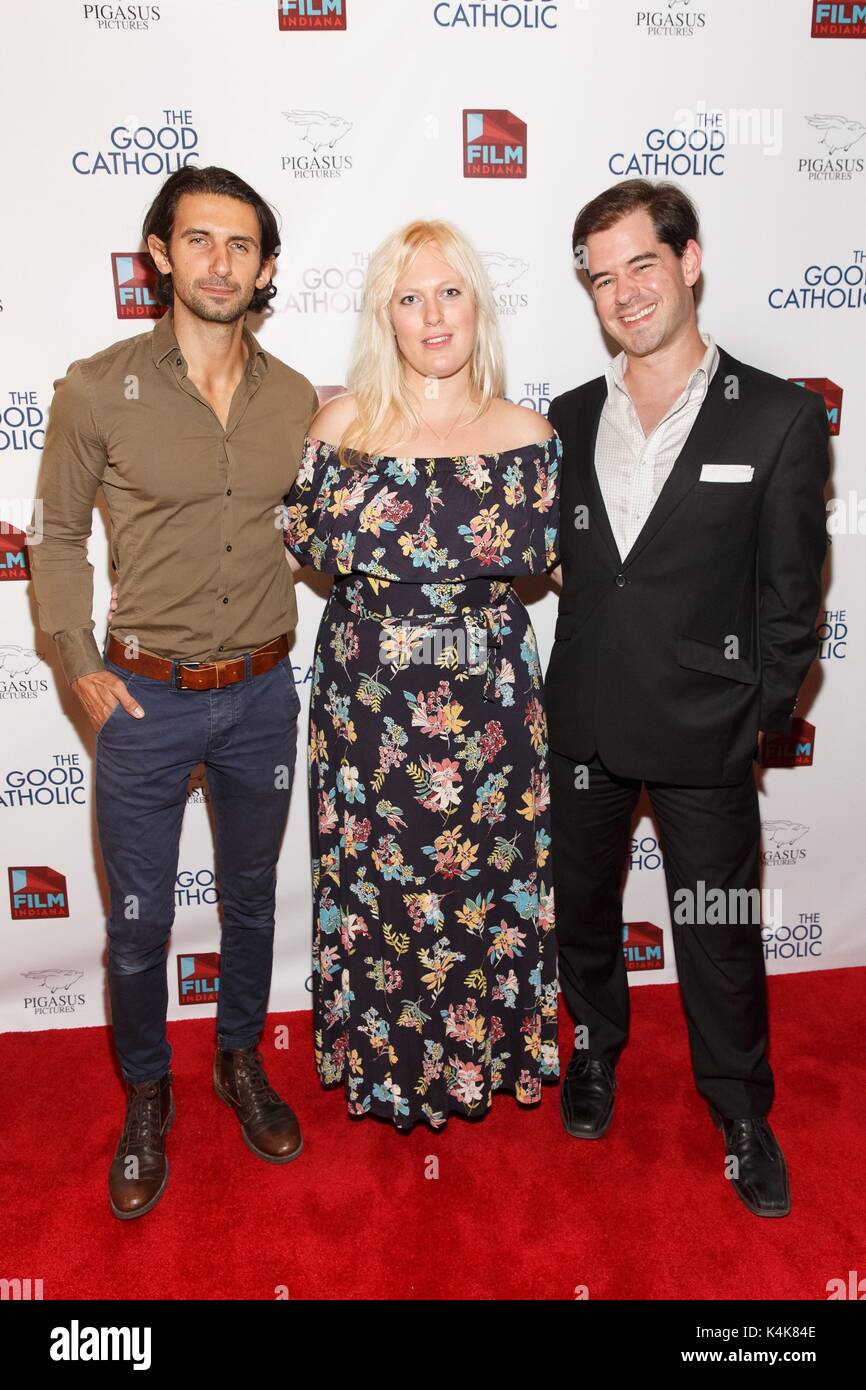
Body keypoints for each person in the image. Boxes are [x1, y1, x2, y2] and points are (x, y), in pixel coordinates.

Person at [27, 165, 317, 1219]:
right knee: (140, 925)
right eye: (197, 240)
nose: (218, 261)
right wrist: (75, 659)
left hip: (265, 693)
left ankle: (238, 1061)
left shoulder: (296, 399)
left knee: (249, 904)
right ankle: (146, 1096)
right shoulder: (97, 387)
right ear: (159, 253)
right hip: (143, 700)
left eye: (240, 245)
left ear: (265, 267)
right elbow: (54, 535)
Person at [545, 179, 828, 1217]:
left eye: (640, 265)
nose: (622, 293)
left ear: (689, 260)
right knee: (579, 912)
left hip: (704, 728)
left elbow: (791, 605)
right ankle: (592, 1049)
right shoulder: (568, 418)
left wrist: (752, 722)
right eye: (600, 275)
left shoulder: (780, 417)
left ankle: (739, 1109)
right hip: (578, 721)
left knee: (714, 928)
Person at [282, 220, 562, 1130]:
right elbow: (298, 548)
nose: (433, 315)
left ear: (477, 305)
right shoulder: (340, 428)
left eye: (450, 292)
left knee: (487, 881)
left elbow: (568, 570)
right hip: (368, 710)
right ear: (385, 318)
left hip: (492, 711)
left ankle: (484, 1060)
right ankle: (387, 1066)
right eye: (411, 298)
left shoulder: (529, 436)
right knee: (378, 891)